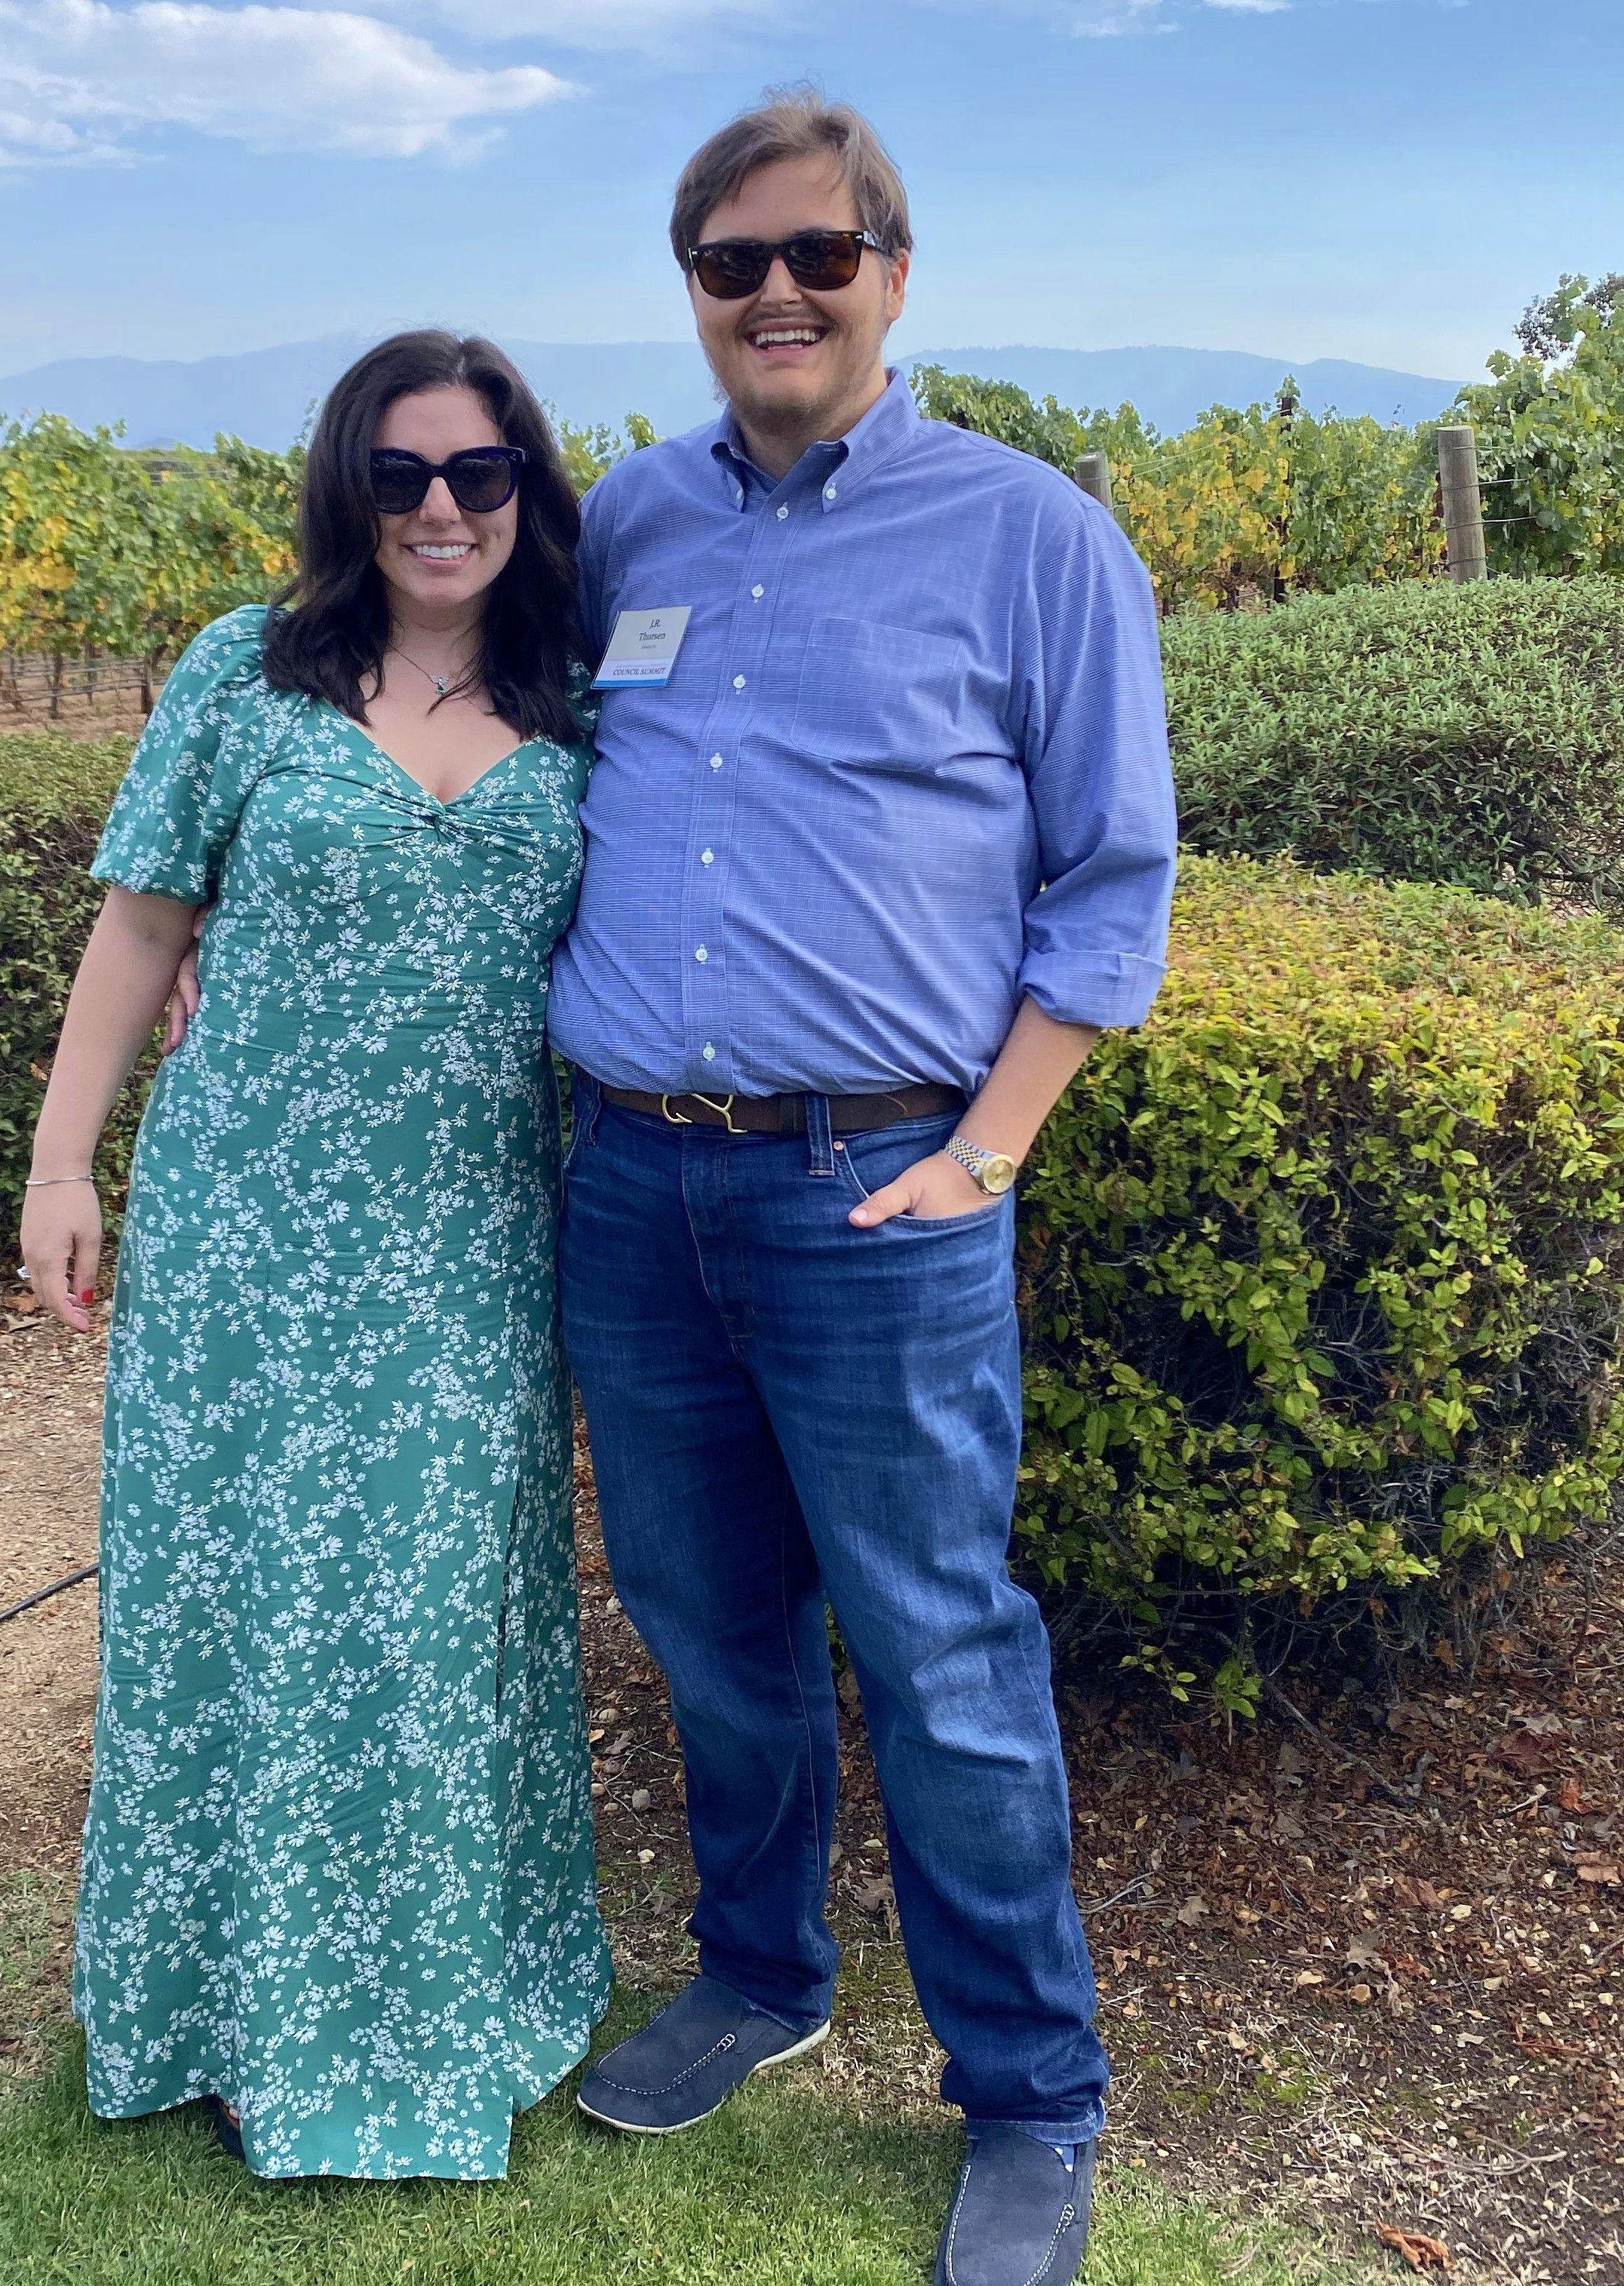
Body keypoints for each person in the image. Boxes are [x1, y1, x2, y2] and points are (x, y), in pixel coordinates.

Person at [548, 92, 1175, 2286]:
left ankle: (1028, 2097)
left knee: (939, 1655)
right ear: (692, 294)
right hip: (634, 1185)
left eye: (819, 255)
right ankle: (757, 1969)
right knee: (706, 1625)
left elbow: (1110, 882)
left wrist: (983, 1147)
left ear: (892, 274)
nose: (778, 296)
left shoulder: (1027, 537)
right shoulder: (622, 523)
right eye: (733, 266)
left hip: (877, 1187)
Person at [20, 329, 609, 2182]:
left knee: (433, 1624)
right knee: (241, 1612)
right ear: (346, 492)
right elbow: (141, 927)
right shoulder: (240, 676)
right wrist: (63, 1160)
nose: (441, 507)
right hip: (249, 1241)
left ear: (528, 492)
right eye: (400, 473)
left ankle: (426, 2009)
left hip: (472, 1240)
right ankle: (217, 2005)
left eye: (480, 473)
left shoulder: (592, 693)